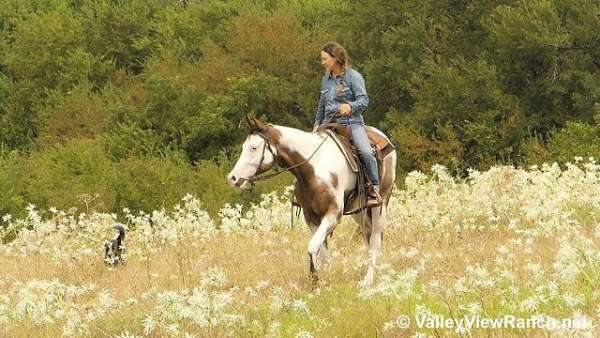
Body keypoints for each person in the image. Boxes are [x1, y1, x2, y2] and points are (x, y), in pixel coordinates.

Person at [312, 42, 382, 207]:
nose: (322, 62)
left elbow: (364, 100)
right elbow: (321, 106)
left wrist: (351, 106)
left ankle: (374, 189)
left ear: (336, 58)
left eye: (325, 59)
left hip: (352, 124)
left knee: (365, 152)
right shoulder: (326, 80)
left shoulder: (354, 77)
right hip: (328, 125)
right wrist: (316, 125)